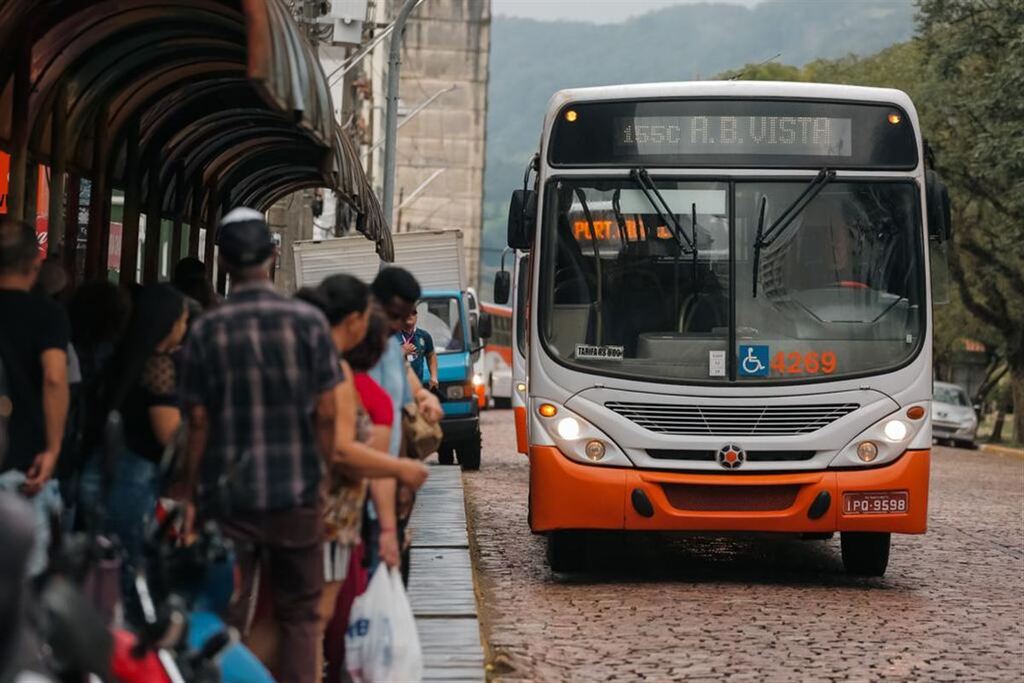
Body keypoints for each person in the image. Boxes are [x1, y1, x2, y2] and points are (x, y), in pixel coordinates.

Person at [77, 284, 188, 607]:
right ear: (167, 323)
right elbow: (169, 434)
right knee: (127, 577)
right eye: (182, 320)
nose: (184, 328)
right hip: (133, 480)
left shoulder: (123, 356)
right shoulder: (159, 364)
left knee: (103, 573)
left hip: (103, 473)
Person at [0, 217, 69, 576]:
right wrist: (53, 448)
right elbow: (55, 378)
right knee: (28, 584)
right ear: (35, 264)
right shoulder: (47, 314)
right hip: (25, 467)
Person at [366, 267, 443, 581]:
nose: (400, 324)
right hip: (371, 479)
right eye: (395, 315)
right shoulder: (360, 347)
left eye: (406, 316)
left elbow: (405, 374)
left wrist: (424, 397)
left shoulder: (386, 345)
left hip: (393, 476)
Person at [398, 309, 438, 390]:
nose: (410, 315)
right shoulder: (392, 336)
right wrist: (400, 351)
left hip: (417, 387)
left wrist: (434, 376)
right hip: (397, 389)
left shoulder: (424, 335)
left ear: (417, 316)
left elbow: (431, 355)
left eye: (413, 312)